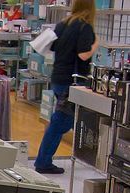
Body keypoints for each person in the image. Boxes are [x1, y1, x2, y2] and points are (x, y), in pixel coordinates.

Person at [34, 0, 98, 174]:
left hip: (58, 77)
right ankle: (43, 162)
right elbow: (83, 55)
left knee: (60, 120)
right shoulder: (84, 27)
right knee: (60, 122)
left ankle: (43, 160)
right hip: (72, 82)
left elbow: (52, 46)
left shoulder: (63, 24)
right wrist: (95, 46)